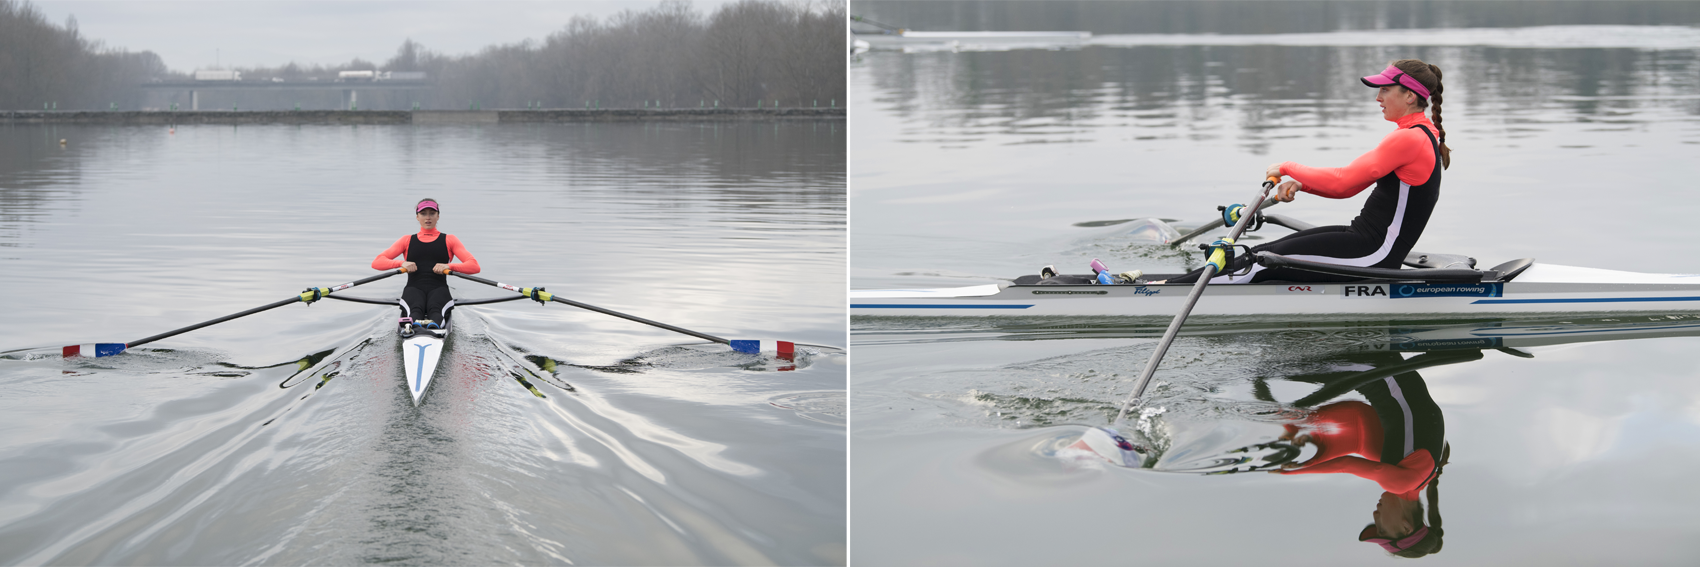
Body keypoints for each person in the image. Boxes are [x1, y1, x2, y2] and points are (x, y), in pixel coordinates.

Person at [1168, 59, 1452, 284]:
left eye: (1385, 90)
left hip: (1374, 254)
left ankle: (1163, 294)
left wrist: (1288, 167)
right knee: (1260, 253)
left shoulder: (1409, 138)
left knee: (1259, 261)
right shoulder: (1423, 133)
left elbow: (1343, 183)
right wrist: (1304, 184)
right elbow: (1349, 187)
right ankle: (1172, 285)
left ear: (1410, 96)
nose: (1378, 97)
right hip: (1364, 240)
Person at [371, 199, 481, 334]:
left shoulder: (450, 240)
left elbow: (474, 266)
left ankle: (433, 328)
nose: (428, 217)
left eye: (432, 213)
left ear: (438, 216)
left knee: (436, 309)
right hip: (413, 288)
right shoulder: (407, 240)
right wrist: (401, 263)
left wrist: (448, 266)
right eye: (423, 213)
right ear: (417, 217)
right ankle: (415, 327)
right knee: (415, 309)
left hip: (439, 289)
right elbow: (377, 262)